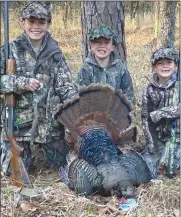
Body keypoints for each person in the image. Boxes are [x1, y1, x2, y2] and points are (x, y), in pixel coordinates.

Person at [0, 1, 77, 174]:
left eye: (41, 22)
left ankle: (43, 151)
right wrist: (20, 83)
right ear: (22, 23)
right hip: (19, 126)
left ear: (48, 25)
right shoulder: (8, 51)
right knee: (12, 172)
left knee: (62, 167)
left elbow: (65, 87)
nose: (36, 27)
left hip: (50, 127)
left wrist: (77, 107)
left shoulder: (55, 53)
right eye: (31, 21)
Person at [141, 47, 180, 178]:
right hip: (159, 138)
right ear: (154, 67)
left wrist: (161, 113)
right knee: (146, 167)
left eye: (169, 63)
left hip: (178, 138)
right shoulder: (148, 89)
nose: (165, 66)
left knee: (173, 167)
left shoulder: (179, 86)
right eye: (160, 63)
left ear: (175, 66)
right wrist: (152, 144)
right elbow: (146, 120)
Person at [76, 24, 135, 104]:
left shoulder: (121, 68)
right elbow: (80, 98)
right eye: (98, 42)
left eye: (106, 42)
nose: (102, 46)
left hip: (116, 114)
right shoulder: (85, 70)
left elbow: (129, 95)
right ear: (91, 46)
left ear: (112, 47)